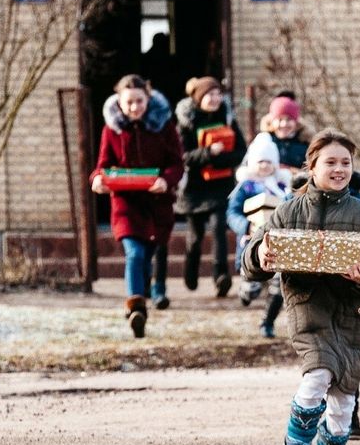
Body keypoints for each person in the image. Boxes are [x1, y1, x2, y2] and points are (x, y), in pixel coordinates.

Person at [241, 128, 360, 445]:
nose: (339, 168)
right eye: (330, 162)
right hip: (308, 307)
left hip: (352, 314)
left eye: (346, 162)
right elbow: (252, 256)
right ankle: (297, 436)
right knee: (319, 373)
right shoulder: (289, 210)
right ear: (311, 166)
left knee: (344, 398)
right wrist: (261, 256)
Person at [90, 74, 183, 338]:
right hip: (125, 204)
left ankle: (141, 296)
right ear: (119, 102)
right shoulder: (112, 129)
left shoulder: (164, 126)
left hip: (157, 206)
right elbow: (103, 164)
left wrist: (166, 181)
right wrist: (97, 179)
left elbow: (177, 163)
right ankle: (136, 307)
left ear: (148, 99)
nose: (134, 107)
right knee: (134, 254)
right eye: (128, 102)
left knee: (147, 257)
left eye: (139, 101)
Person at [175, 76, 247, 297]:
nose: (215, 99)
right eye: (209, 95)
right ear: (198, 98)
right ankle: (190, 270)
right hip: (194, 187)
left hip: (221, 185)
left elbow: (241, 151)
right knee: (195, 236)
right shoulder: (186, 123)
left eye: (217, 94)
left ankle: (221, 276)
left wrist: (220, 158)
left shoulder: (227, 119)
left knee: (218, 229)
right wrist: (207, 153)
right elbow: (182, 156)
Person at [226, 139, 292, 338]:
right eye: (260, 161)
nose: (264, 166)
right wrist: (246, 226)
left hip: (277, 245)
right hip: (250, 244)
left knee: (279, 285)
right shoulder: (245, 187)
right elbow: (232, 213)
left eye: (269, 161)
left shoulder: (283, 187)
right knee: (252, 286)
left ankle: (268, 322)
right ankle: (247, 290)